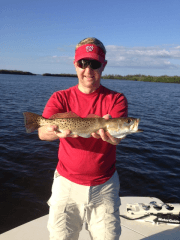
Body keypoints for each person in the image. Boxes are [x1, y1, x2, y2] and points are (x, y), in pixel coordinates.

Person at [38, 37, 128, 240]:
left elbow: (117, 138)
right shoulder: (59, 97)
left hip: (105, 185)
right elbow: (42, 132)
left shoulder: (116, 99)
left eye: (94, 64)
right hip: (66, 184)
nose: (88, 70)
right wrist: (55, 131)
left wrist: (111, 136)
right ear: (75, 65)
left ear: (103, 65)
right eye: (83, 63)